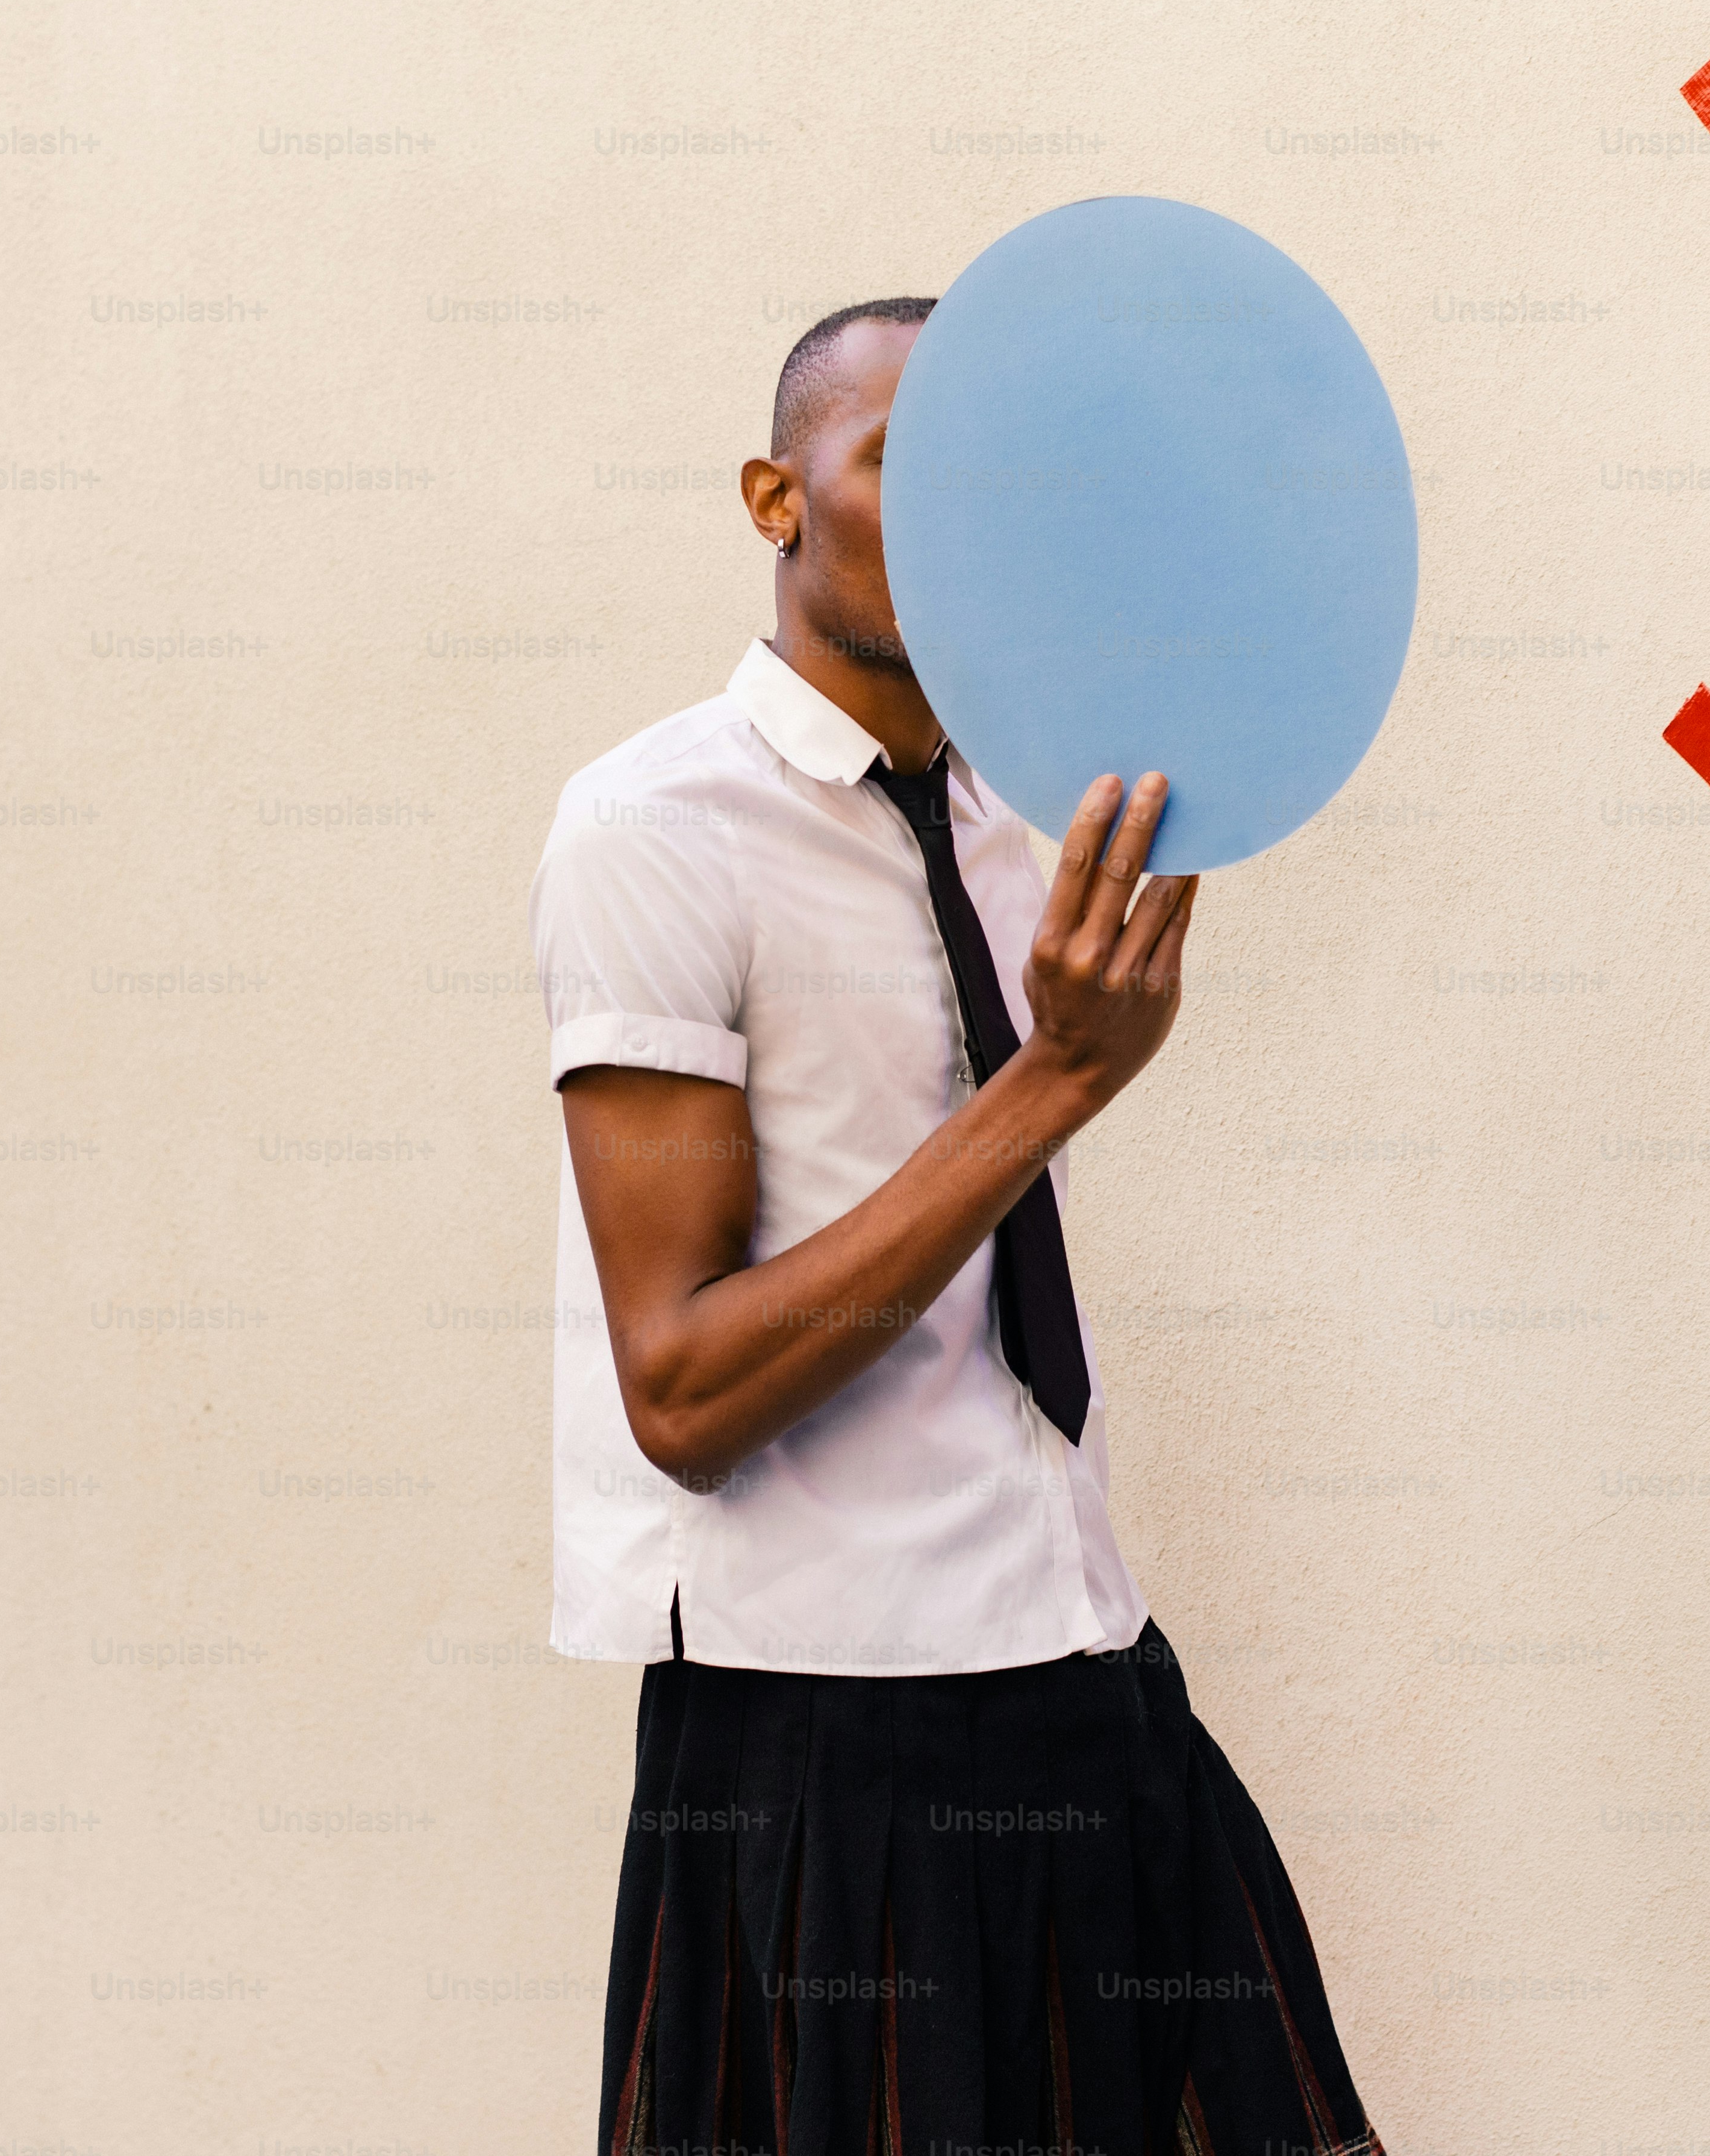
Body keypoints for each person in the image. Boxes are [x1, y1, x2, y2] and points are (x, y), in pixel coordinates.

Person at [531, 297, 1385, 2153]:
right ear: (777, 493)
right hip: (817, 1731)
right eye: (900, 460)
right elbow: (678, 1384)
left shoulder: (1042, 817)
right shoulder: (651, 830)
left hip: (1084, 1659)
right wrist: (1053, 1084)